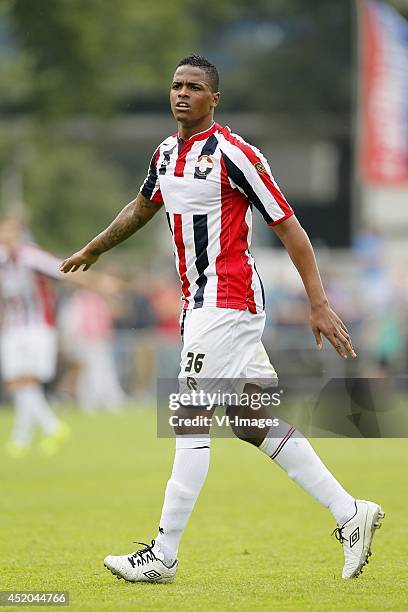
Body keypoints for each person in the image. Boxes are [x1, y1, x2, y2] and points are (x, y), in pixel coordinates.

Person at [61, 55, 384, 582]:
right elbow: (143, 208)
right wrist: (95, 249)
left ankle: (163, 555)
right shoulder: (165, 154)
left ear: (214, 99)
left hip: (229, 302)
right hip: (201, 306)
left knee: (188, 417)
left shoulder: (237, 154)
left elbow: (290, 228)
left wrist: (318, 301)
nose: (181, 94)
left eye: (194, 87)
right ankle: (351, 515)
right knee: (250, 421)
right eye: (175, 85)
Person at [0, 218, 70, 456]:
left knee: (28, 381)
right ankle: (49, 427)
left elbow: (63, 269)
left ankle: (22, 437)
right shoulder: (1, 260)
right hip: (11, 328)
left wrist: (100, 282)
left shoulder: (31, 256)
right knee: (15, 383)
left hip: (37, 326)